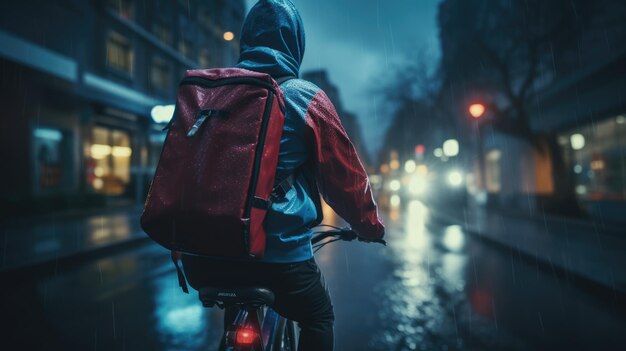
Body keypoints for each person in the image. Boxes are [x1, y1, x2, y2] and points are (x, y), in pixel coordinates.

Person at [181, 1, 385, 350]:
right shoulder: (303, 96)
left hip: (201, 259)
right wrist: (368, 227)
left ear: (245, 40)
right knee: (318, 317)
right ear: (295, 44)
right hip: (276, 261)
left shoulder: (208, 94)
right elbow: (345, 178)